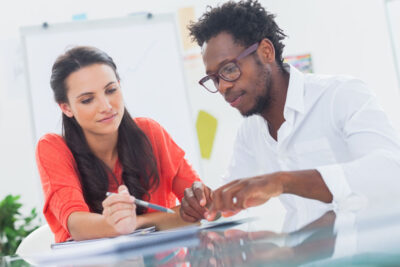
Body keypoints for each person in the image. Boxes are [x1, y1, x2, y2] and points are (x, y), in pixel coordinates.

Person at [180, 0, 400, 222]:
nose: (222, 87)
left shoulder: (340, 95)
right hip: (309, 252)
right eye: (214, 78)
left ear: (266, 51)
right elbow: (225, 204)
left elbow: (390, 172)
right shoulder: (250, 133)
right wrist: (203, 200)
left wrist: (281, 182)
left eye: (229, 69)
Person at [36, 46, 200, 242]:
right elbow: (77, 226)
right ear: (66, 107)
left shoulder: (150, 133)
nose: (106, 106)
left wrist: (135, 224)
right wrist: (123, 224)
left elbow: (199, 210)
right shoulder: (53, 147)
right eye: (88, 100)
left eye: (111, 90)